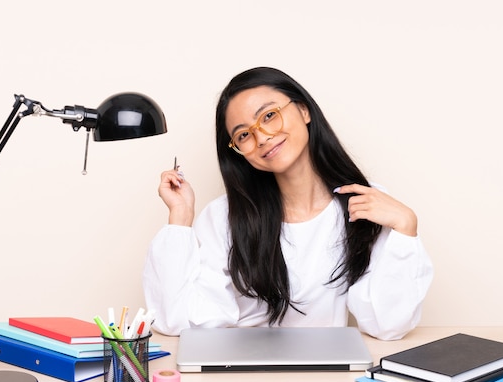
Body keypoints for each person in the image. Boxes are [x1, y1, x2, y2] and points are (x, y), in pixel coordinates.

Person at [142, 67, 433, 340]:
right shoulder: (224, 216)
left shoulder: (363, 204)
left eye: (269, 116)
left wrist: (406, 228)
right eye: (244, 135)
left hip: (324, 379)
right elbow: (177, 321)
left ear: (304, 110)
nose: (263, 137)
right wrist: (180, 217)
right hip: (242, 377)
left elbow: (388, 325)